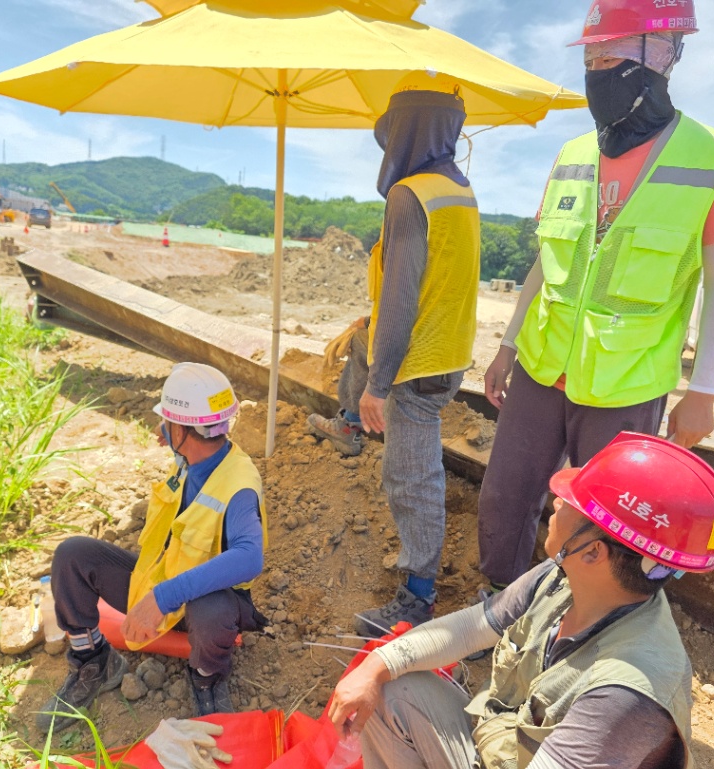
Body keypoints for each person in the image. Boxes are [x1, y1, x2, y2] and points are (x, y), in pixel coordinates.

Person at [477, 0, 714, 593]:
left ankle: (575, 616)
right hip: (542, 365)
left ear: (664, 54)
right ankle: (499, 600)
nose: (599, 71)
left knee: (599, 521)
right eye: (592, 60)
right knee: (504, 496)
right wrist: (507, 344)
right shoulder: (573, 154)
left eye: (615, 57)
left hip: (626, 382)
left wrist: (703, 391)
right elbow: (546, 262)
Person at [329, 432, 714, 769]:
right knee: (390, 689)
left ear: (593, 551)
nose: (557, 502)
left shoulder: (624, 695)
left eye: (573, 504)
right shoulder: (562, 577)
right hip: (504, 748)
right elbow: (469, 628)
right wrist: (377, 666)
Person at [307, 70, 481, 637]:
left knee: (410, 476)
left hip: (417, 362)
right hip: (446, 347)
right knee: (362, 342)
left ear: (404, 131)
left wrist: (378, 387)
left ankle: (416, 599)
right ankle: (348, 425)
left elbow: (404, 299)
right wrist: (371, 328)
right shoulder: (456, 189)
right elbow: (429, 283)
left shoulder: (411, 196)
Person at [35, 362, 268, 735]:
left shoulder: (239, 484)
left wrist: (163, 598)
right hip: (162, 580)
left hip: (207, 603)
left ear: (183, 430)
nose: (164, 429)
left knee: (211, 611)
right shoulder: (193, 453)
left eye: (168, 423)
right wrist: (170, 432)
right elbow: (186, 439)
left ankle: (208, 678)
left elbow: (250, 557)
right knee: (72, 556)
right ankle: (93, 659)